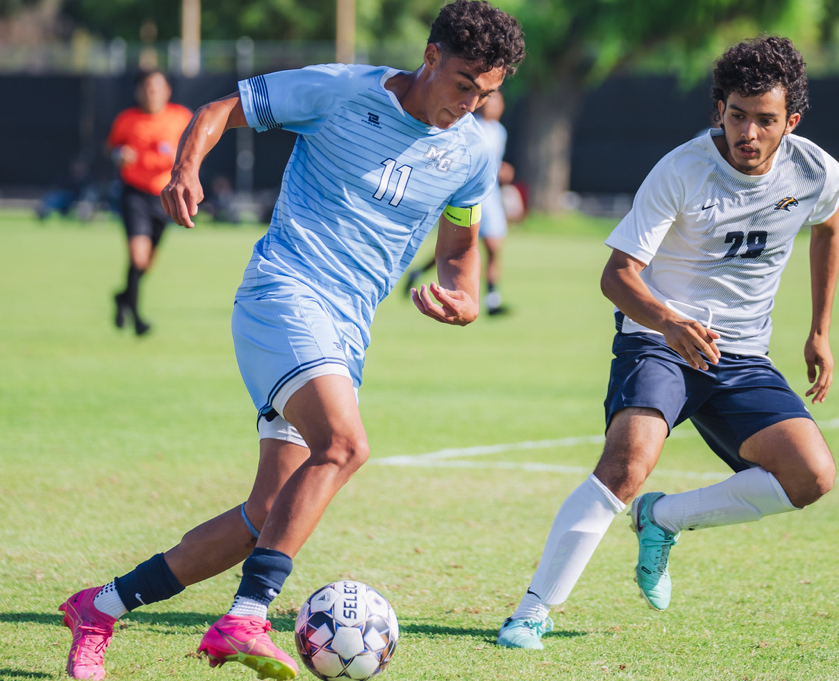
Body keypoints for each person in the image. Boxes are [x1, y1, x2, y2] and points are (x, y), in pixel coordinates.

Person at [58, 3, 525, 680]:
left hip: (347, 329)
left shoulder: (472, 152)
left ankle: (100, 606)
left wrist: (463, 296)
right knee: (346, 444)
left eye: (487, 92)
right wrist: (185, 169)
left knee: (265, 513)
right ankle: (246, 617)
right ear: (430, 56)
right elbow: (220, 109)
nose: (471, 103)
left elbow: (458, 248)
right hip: (284, 293)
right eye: (463, 84)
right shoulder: (342, 90)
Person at [495, 35, 839, 650]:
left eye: (766, 120)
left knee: (811, 475)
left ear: (790, 121)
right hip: (658, 341)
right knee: (628, 460)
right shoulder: (682, 170)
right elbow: (617, 275)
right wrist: (670, 323)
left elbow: (829, 226)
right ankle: (531, 611)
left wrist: (818, 329)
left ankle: (663, 518)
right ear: (720, 110)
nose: (750, 132)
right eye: (737, 115)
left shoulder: (815, 170)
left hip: (741, 355)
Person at [405, 91, 514, 315]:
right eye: (491, 103)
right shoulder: (474, 128)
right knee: (458, 249)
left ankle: (492, 299)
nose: (495, 108)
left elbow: (492, 163)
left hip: (492, 197)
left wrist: (502, 169)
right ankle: (421, 273)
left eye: (499, 103)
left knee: (494, 247)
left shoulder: (500, 131)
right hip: (471, 197)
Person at [107, 70, 192, 336]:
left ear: (167, 91)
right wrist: (120, 155)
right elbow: (112, 148)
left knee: (147, 263)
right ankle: (137, 317)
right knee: (137, 256)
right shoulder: (127, 119)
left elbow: (196, 147)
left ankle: (123, 298)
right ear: (138, 91)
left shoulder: (181, 117)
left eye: (157, 87)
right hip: (134, 194)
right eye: (146, 87)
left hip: (164, 196)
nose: (151, 92)